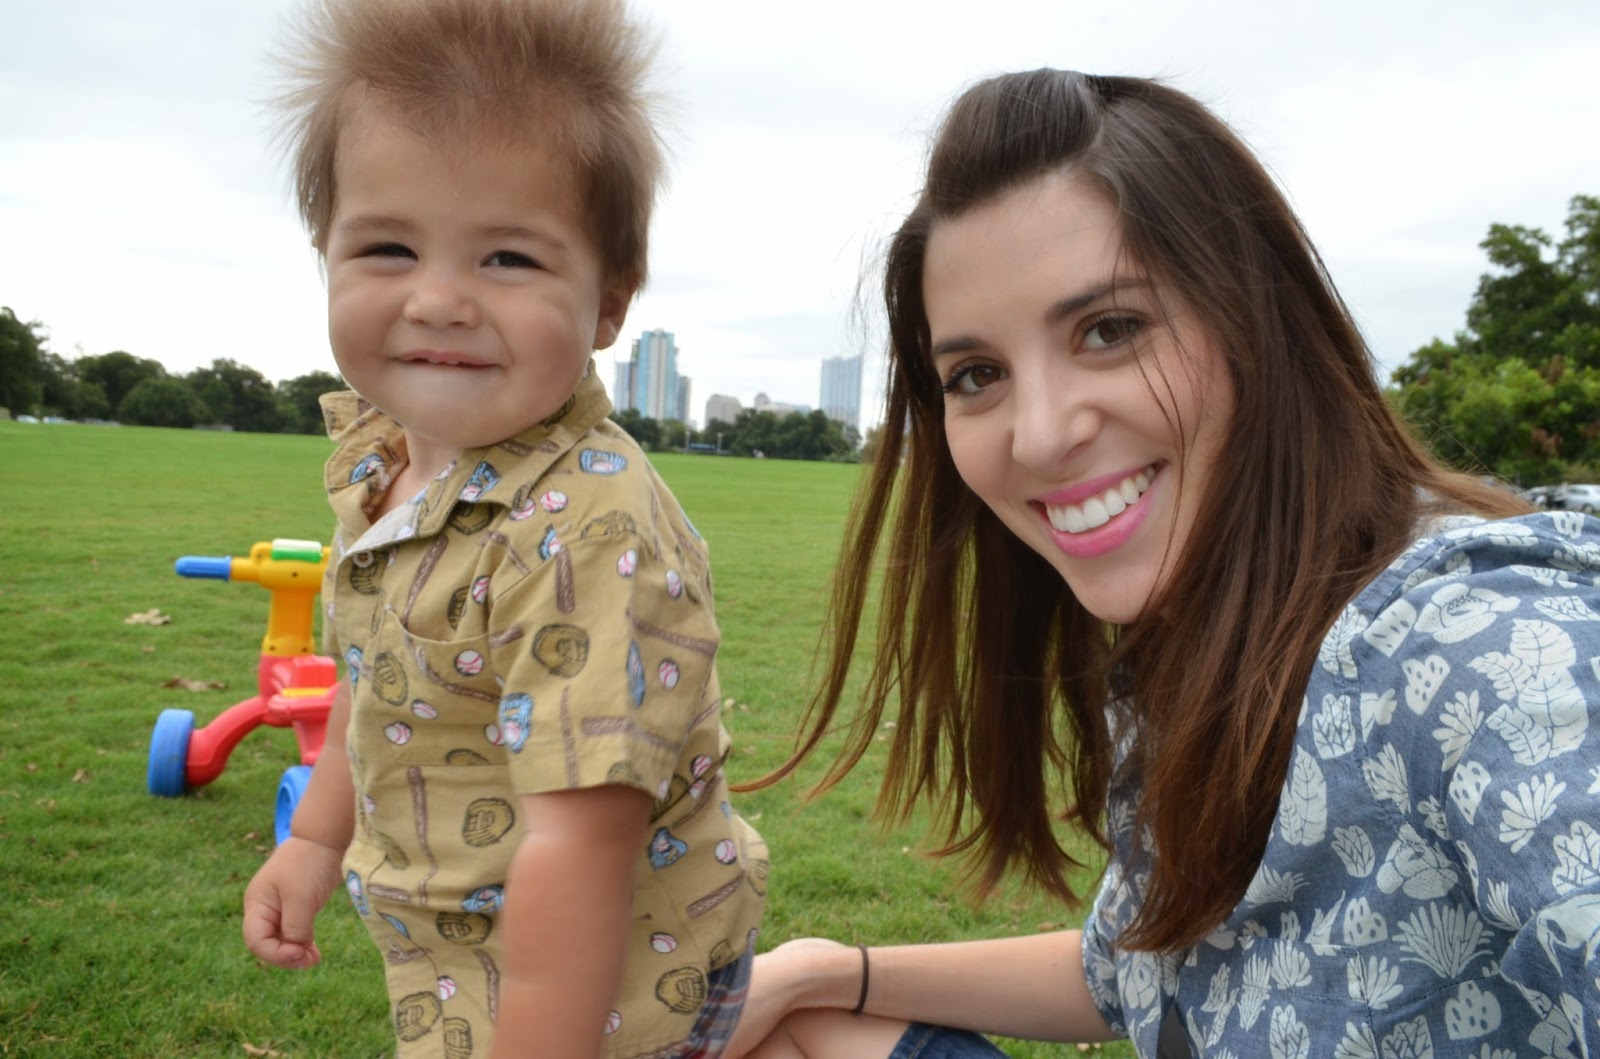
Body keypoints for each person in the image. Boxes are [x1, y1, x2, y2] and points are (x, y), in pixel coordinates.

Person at [726, 70, 1600, 1059]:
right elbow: (1144, 969)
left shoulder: (1485, 639)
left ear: (1255, 321)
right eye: (977, 375)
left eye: (1108, 330)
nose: (1039, 435)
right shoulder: (1215, 633)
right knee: (805, 1027)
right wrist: (825, 969)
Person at [239, 1, 768, 1056]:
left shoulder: (587, 530)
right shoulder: (386, 472)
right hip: (463, 966)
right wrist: (314, 841)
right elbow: (368, 680)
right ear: (325, 254)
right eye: (389, 246)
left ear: (608, 301)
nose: (439, 299)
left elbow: (582, 846)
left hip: (609, 996)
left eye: (509, 259)